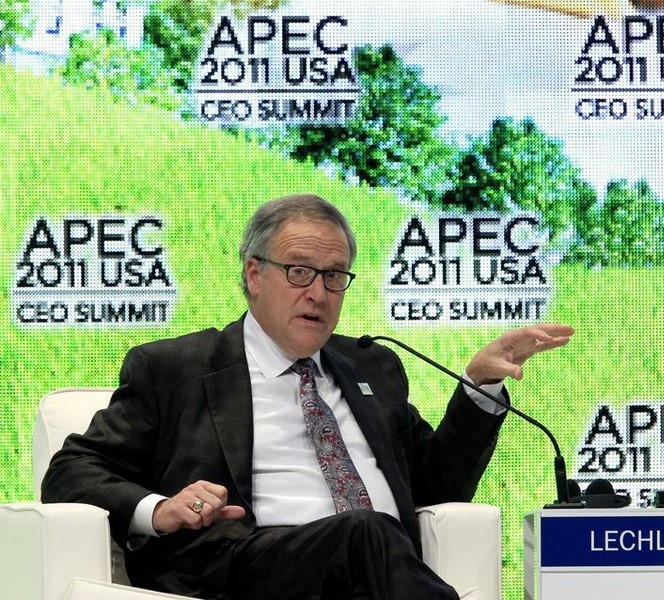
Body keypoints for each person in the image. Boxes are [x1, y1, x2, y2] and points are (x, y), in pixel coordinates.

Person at [42, 193, 574, 600]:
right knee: (367, 533)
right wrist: (160, 509)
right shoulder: (173, 368)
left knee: (374, 537)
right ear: (254, 274)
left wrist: (480, 388)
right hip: (246, 566)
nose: (318, 292)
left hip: (376, 573)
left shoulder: (373, 366)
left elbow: (436, 484)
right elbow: (70, 470)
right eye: (299, 272)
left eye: (334, 276)